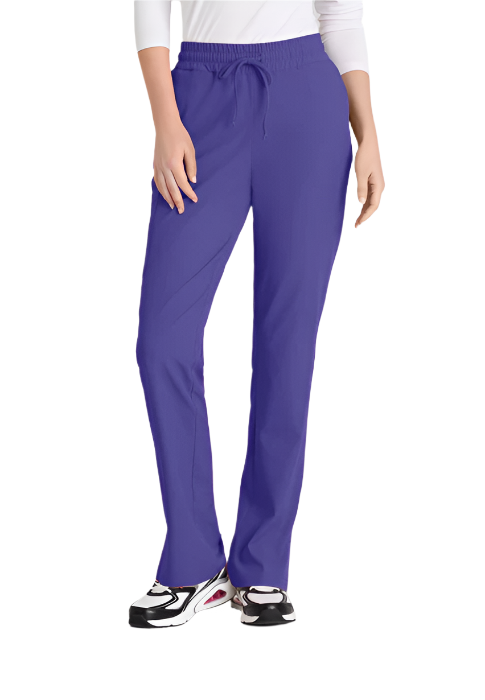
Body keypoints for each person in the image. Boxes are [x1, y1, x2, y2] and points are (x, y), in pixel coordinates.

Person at [129, 0, 384, 628]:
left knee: (286, 345)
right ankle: (192, 559)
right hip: (199, 99)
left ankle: (262, 565)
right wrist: (166, 120)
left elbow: (340, 18)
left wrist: (369, 135)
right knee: (162, 340)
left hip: (307, 103)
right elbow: (150, 9)